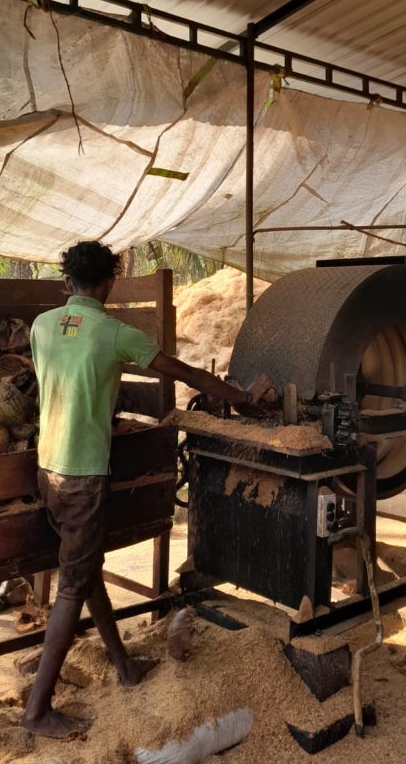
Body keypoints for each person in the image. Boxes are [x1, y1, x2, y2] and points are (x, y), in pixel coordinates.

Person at [21, 240, 276, 738]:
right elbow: (184, 372)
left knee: (84, 567)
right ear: (110, 283)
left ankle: (123, 664)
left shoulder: (41, 327)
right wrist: (242, 398)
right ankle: (37, 711)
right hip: (83, 476)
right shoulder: (115, 333)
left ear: (66, 282)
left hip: (46, 470)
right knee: (73, 586)